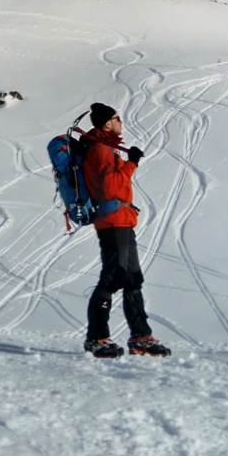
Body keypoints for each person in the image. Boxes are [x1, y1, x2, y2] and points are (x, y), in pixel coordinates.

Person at [82, 102, 171, 359]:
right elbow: (110, 187)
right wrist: (131, 163)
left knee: (132, 280)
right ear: (107, 123)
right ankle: (96, 338)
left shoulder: (106, 147)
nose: (121, 122)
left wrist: (126, 162)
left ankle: (140, 337)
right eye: (117, 118)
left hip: (122, 220)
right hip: (112, 221)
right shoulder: (99, 149)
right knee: (112, 278)